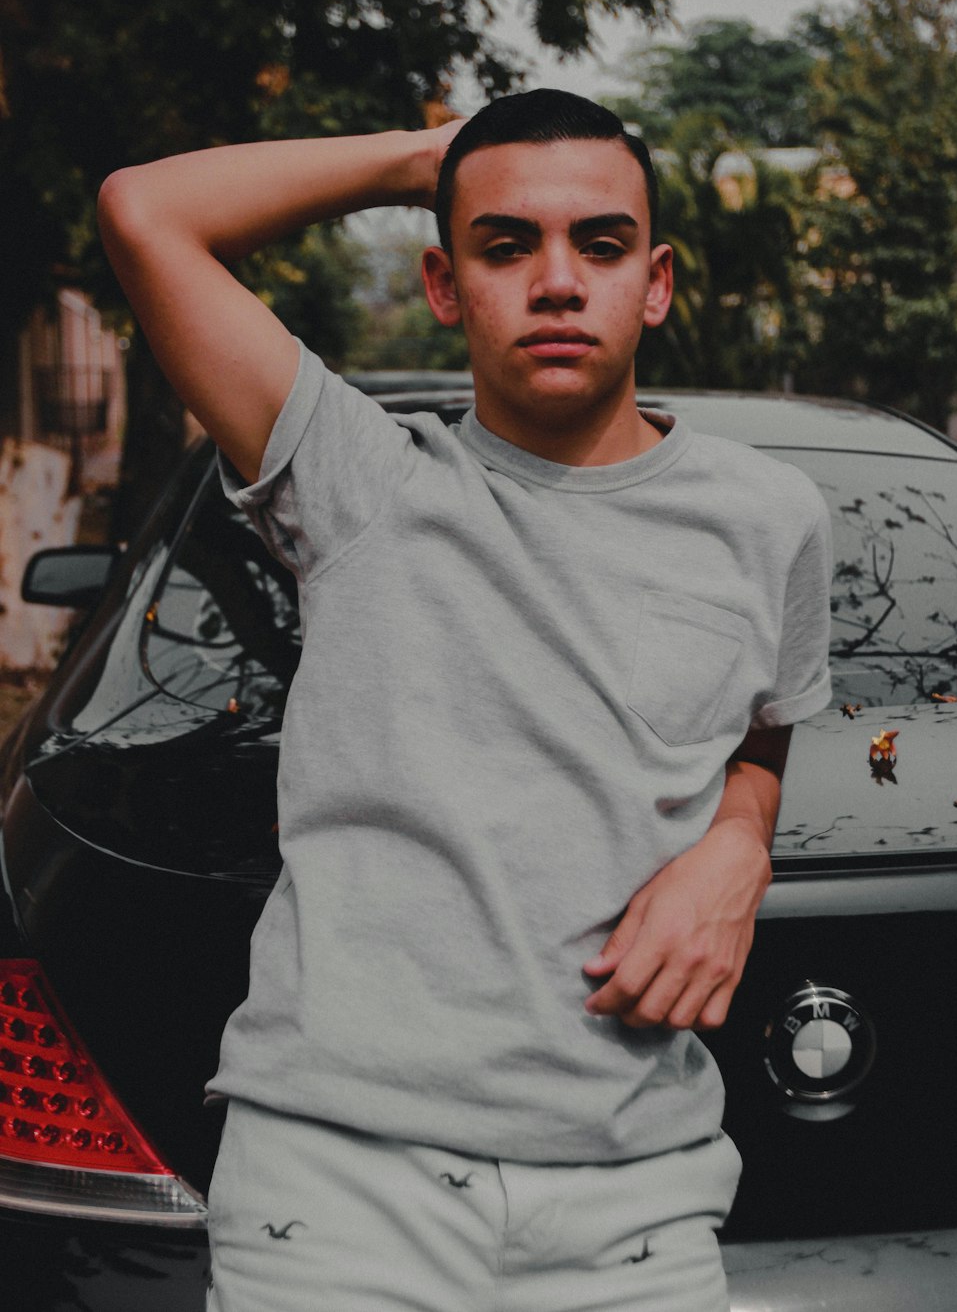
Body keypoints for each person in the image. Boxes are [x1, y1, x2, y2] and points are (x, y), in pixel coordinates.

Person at [98, 89, 832, 1312]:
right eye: (506, 245)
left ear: (654, 286)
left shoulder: (770, 520)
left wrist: (739, 845)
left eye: (598, 245)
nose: (556, 281)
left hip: (636, 1200)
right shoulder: (357, 479)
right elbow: (144, 210)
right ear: (444, 284)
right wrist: (423, 159)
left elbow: (765, 724)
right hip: (338, 1191)